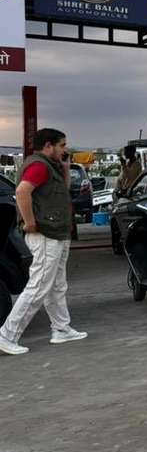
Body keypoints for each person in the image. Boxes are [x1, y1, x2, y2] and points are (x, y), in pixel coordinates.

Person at [0, 128, 87, 355]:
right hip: (45, 234)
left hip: (56, 233)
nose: (64, 150)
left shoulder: (52, 167)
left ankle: (61, 329)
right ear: (48, 145)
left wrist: (66, 169)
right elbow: (22, 192)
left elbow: (62, 193)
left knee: (57, 285)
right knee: (39, 285)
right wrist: (29, 223)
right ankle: (7, 335)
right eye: (62, 145)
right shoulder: (38, 166)